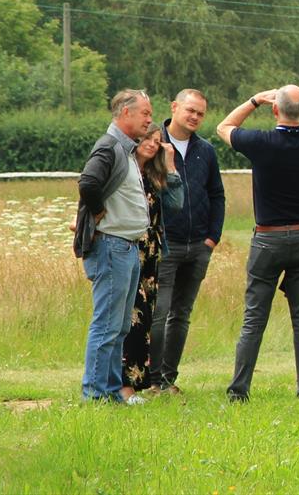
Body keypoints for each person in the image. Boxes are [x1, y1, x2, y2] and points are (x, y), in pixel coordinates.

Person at [217, 85, 299, 403]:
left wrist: (254, 99)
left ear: (275, 110)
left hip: (267, 238)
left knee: (254, 317)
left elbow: (224, 127)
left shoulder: (260, 142)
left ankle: (239, 390)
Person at [73, 89, 153, 403]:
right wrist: (96, 211)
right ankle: (94, 394)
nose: (149, 119)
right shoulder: (109, 147)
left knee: (119, 327)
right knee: (107, 324)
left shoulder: (126, 150)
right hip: (111, 246)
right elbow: (88, 183)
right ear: (125, 114)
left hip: (126, 247)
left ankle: (109, 391)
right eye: (145, 113)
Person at [151, 88, 226, 395]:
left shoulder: (205, 150)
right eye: (190, 110)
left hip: (198, 246)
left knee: (181, 315)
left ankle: (169, 379)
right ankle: (151, 380)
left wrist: (212, 238)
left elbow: (216, 194)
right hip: (166, 244)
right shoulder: (153, 145)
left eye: (200, 113)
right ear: (174, 107)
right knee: (159, 312)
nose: (195, 117)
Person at [121, 123, 184, 401]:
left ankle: (136, 384)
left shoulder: (154, 174)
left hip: (152, 253)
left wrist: (170, 165)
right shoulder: (126, 168)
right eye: (147, 138)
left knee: (145, 318)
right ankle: (124, 385)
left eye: (157, 141)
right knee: (131, 318)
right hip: (129, 246)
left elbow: (176, 203)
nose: (152, 144)